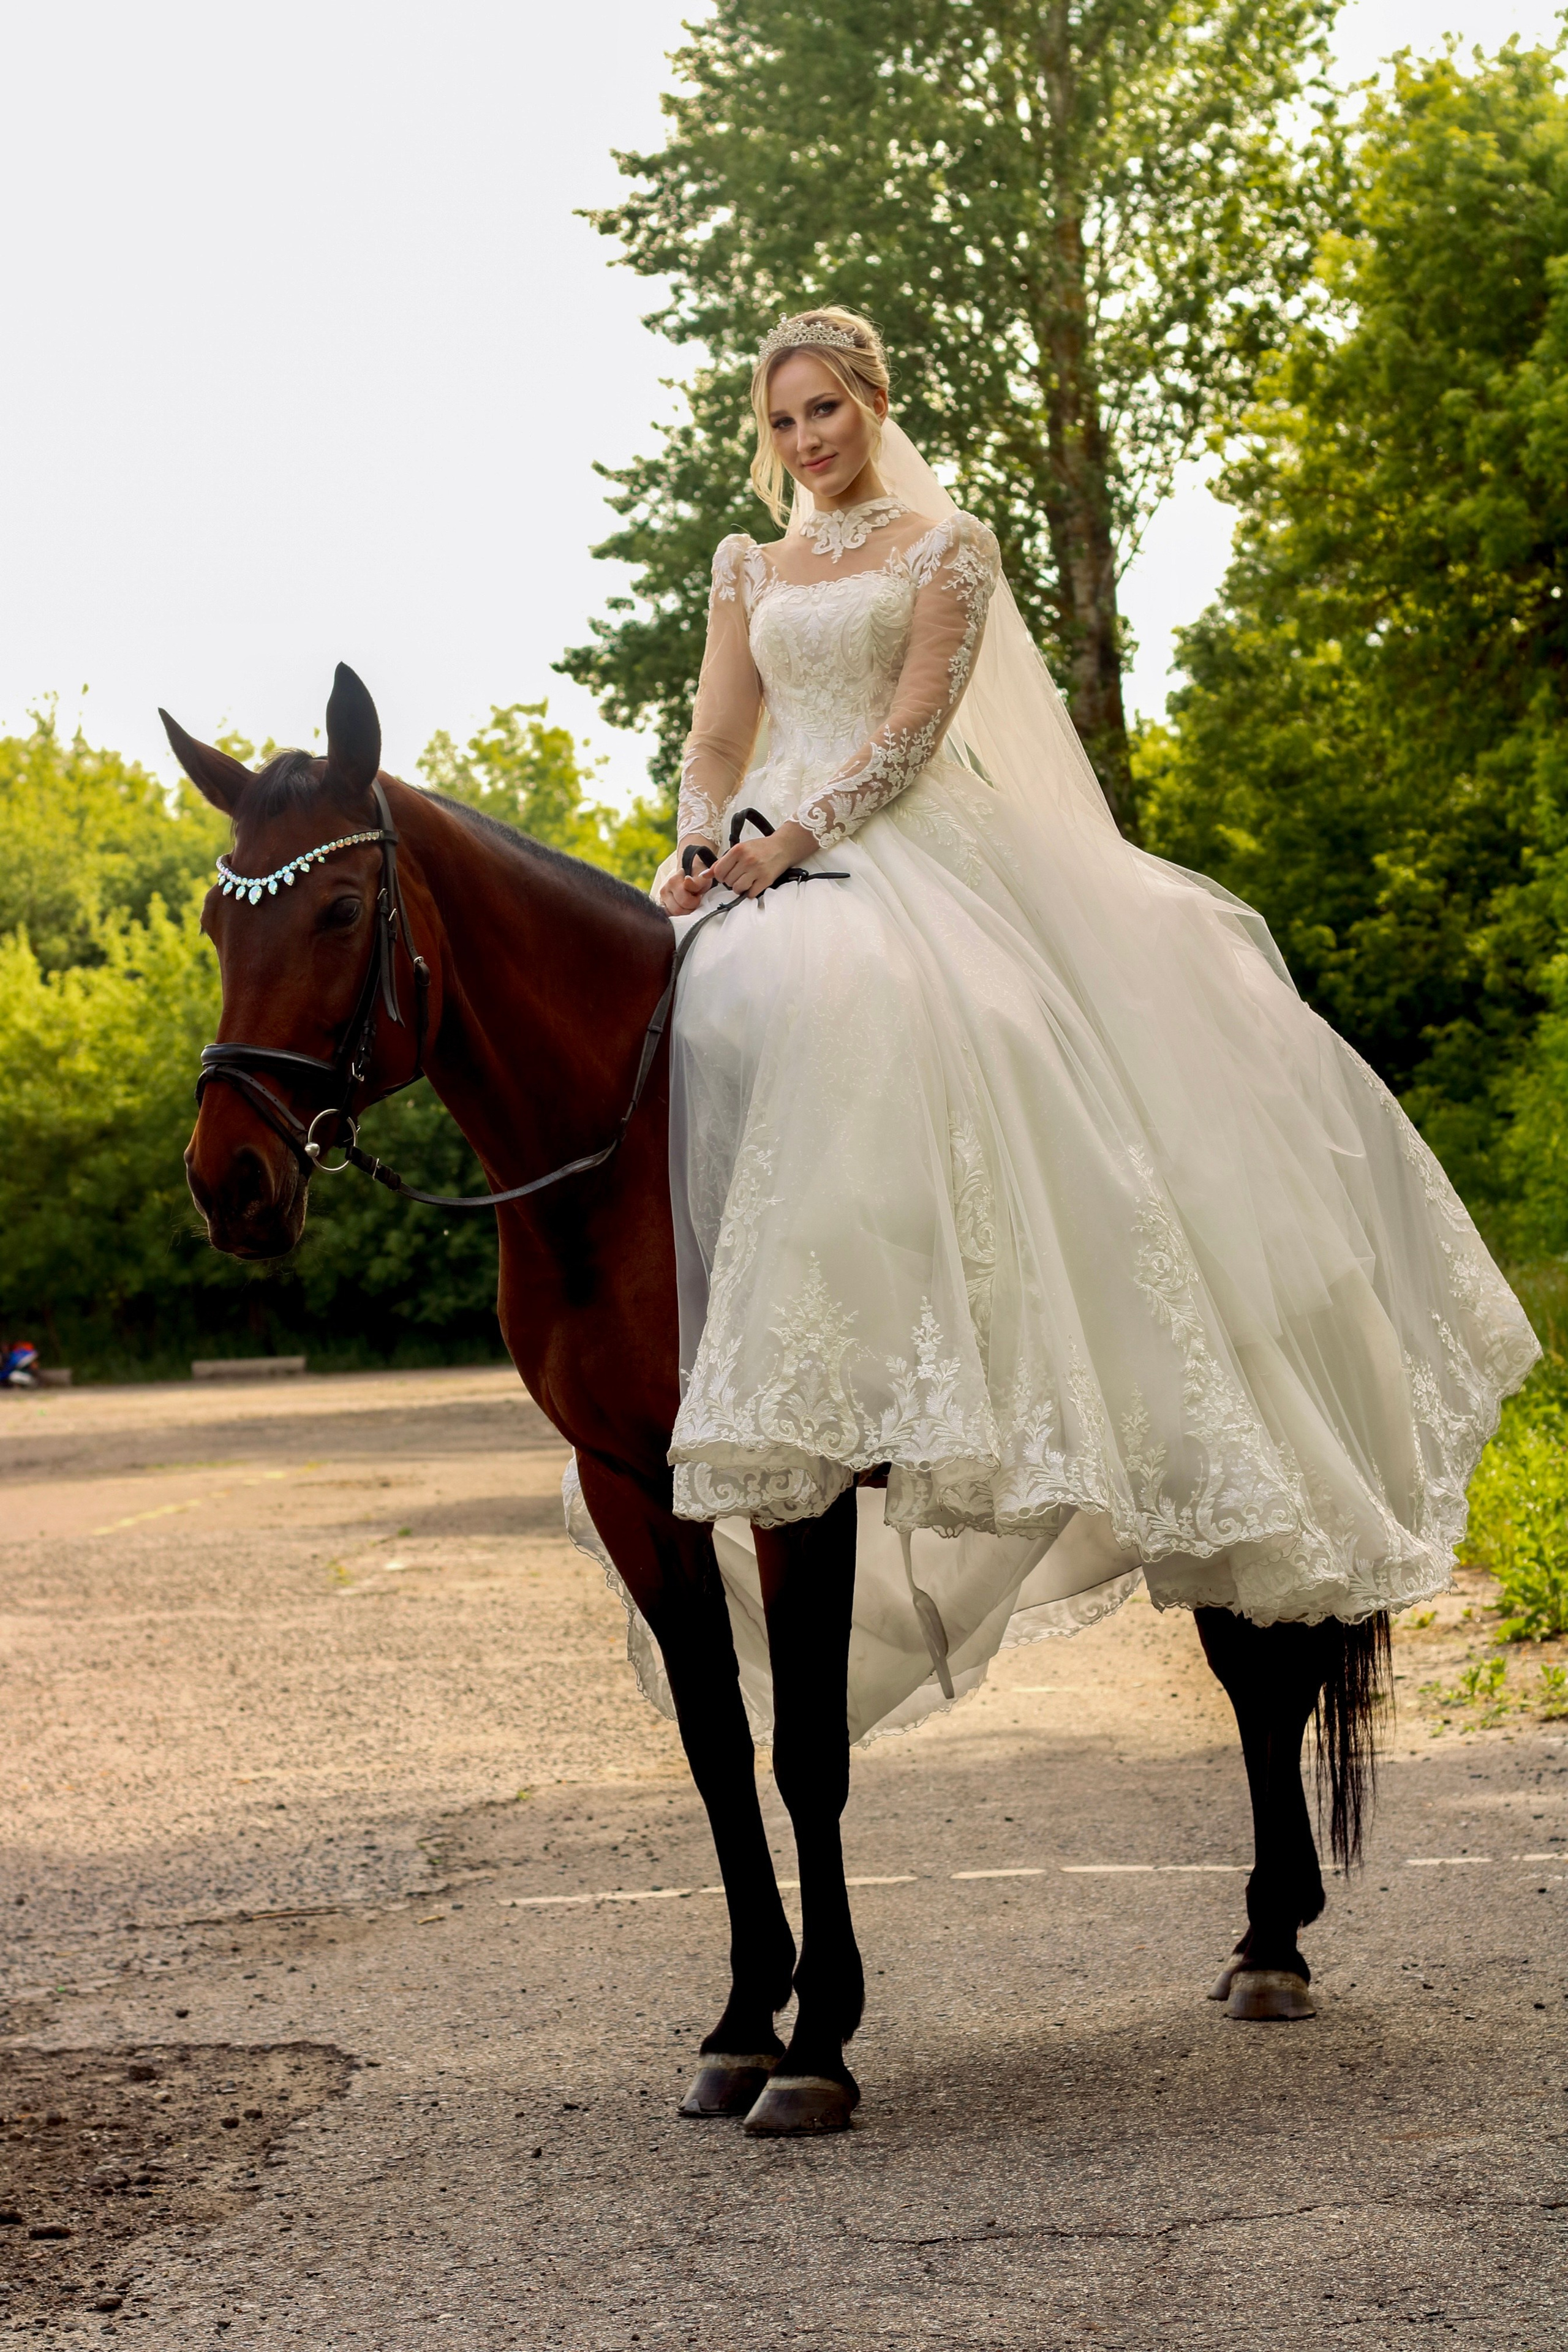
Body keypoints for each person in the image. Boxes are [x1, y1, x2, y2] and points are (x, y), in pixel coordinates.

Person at [572, 304, 1539, 1749]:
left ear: (872, 402)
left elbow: (908, 733)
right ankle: (731, 1368)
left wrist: (794, 844)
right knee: (664, 1029)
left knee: (950, 1020)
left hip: (893, 839)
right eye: (780, 421)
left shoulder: (944, 550)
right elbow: (716, 736)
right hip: (754, 846)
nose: (804, 440)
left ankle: (993, 1345)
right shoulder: (747, 566)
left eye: (822, 409)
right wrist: (703, 841)